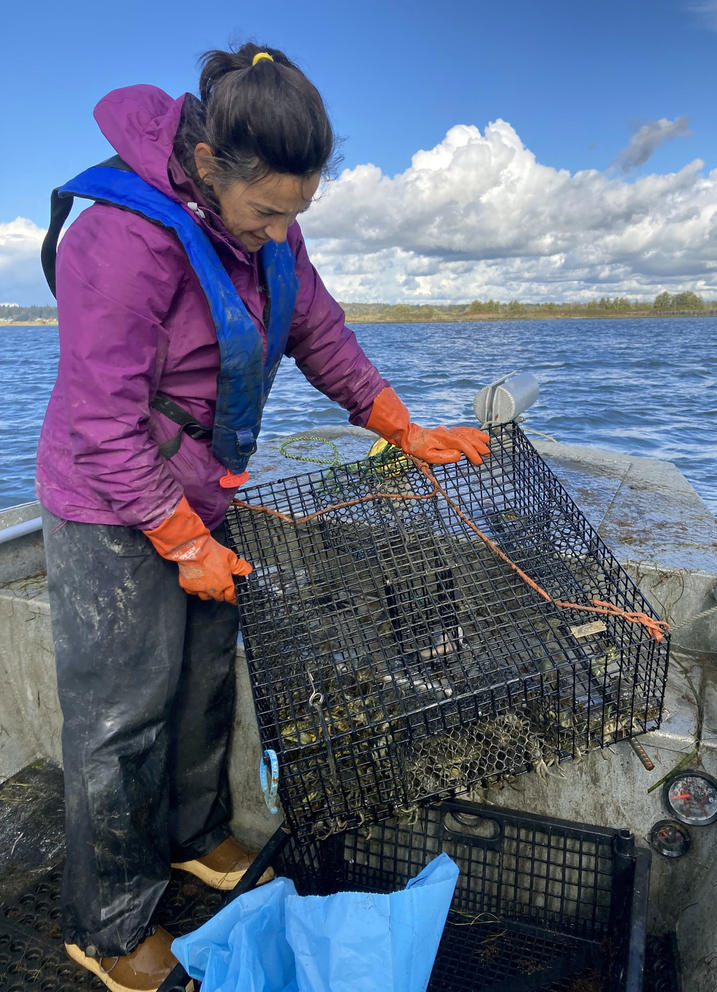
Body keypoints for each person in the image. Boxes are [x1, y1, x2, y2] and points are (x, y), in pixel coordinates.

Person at [36, 41, 490, 992]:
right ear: (207, 166)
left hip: (203, 491)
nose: (282, 229)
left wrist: (400, 426)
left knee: (202, 679)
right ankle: (109, 929)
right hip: (110, 500)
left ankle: (196, 837)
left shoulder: (269, 229)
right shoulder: (118, 239)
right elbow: (100, 420)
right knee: (120, 720)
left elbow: (316, 327)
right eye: (268, 210)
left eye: (298, 211)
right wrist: (177, 538)